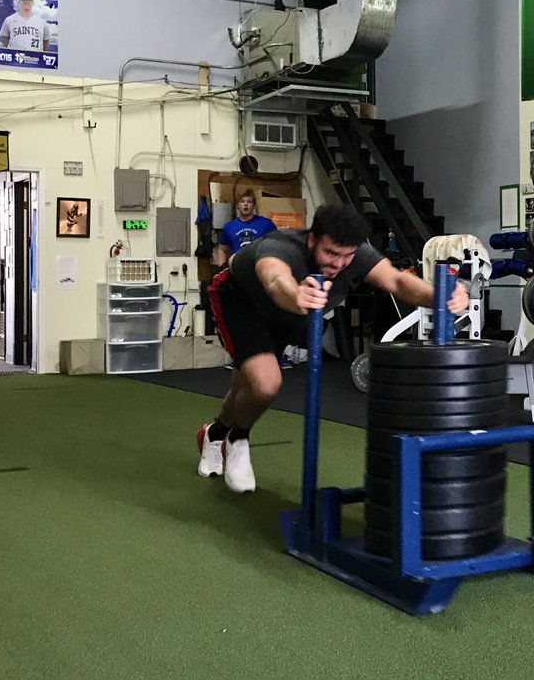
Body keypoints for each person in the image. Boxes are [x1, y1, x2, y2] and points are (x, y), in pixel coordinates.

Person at [198, 204, 468, 493]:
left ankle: (214, 433)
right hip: (242, 301)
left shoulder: (356, 255)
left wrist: (441, 295)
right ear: (312, 240)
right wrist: (297, 293)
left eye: (346, 256)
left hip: (289, 312)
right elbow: (275, 279)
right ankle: (238, 438)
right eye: (330, 253)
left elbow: (397, 281)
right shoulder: (282, 247)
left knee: (246, 384)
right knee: (265, 383)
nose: (338, 264)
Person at [214, 190, 277, 267]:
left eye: (249, 202)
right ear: (238, 205)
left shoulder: (266, 224)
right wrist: (222, 267)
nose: (246, 204)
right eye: (242, 201)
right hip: (238, 268)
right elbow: (221, 250)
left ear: (253, 206)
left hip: (259, 267)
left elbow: (277, 246)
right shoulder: (229, 226)